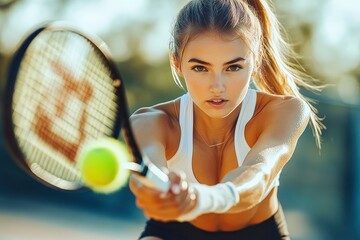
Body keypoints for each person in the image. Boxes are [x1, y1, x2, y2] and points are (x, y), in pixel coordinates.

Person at [129, 0, 324, 239]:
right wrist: (156, 193)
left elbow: (259, 174)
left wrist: (201, 198)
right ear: (177, 63)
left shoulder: (286, 111)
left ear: (256, 60)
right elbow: (145, 177)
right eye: (200, 68)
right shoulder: (151, 122)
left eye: (233, 68)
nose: (217, 87)